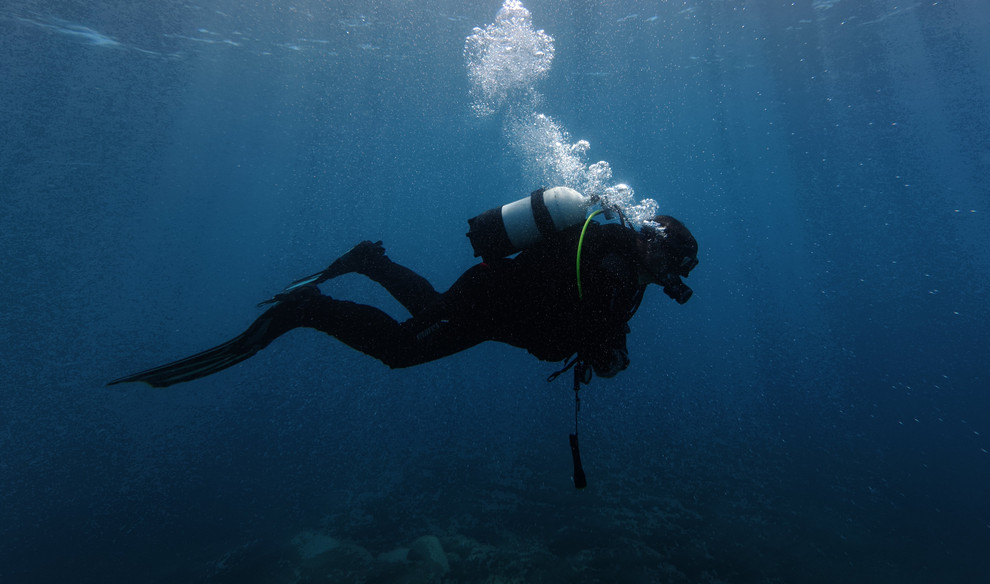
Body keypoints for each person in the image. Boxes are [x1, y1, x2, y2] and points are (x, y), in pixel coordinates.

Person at [108, 211, 698, 389]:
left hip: (497, 314)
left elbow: (596, 329)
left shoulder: (627, 275)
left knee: (422, 316)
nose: (672, 275)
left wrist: (608, 348)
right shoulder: (609, 260)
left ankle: (368, 260)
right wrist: (607, 353)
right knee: (398, 347)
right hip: (491, 304)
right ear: (655, 246)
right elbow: (592, 326)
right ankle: (305, 309)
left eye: (677, 270)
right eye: (673, 263)